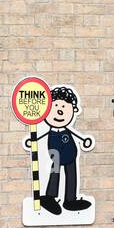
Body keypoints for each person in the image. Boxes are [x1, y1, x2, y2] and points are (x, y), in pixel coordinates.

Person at [36, 86, 93, 214]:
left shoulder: (67, 130)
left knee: (71, 174)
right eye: (56, 107)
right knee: (55, 172)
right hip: (55, 153)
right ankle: (49, 197)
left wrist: (84, 141)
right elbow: (41, 136)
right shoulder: (51, 132)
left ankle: (70, 200)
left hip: (70, 155)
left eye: (64, 107)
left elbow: (78, 136)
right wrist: (32, 141)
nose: (60, 112)